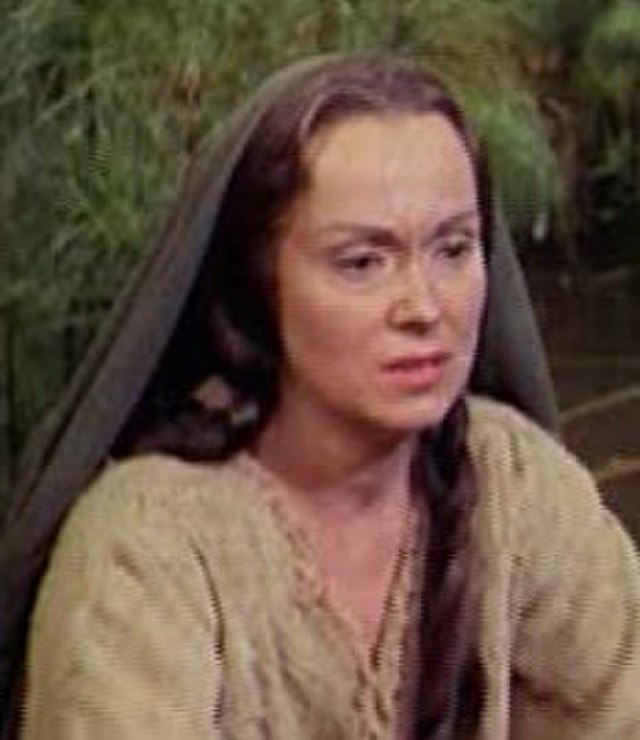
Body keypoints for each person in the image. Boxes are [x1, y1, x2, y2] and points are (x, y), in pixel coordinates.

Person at [1, 54, 638, 739]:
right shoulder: (148, 546)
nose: (424, 307)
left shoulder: (515, 481)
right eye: (363, 262)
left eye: (453, 249)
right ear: (258, 282)